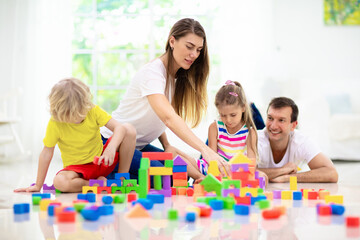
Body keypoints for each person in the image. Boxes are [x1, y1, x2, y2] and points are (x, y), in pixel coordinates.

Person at [101, 18, 230, 182]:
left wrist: (166, 144)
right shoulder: (153, 73)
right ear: (172, 41)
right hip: (113, 143)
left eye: (198, 49)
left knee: (182, 171)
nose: (194, 54)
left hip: (137, 146)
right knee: (166, 178)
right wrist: (206, 150)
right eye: (189, 47)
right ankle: (105, 174)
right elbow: (168, 118)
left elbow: (157, 115)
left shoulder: (174, 76)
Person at [14, 78, 136, 193]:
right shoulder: (55, 123)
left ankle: (121, 179)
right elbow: (46, 153)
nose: (79, 118)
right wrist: (38, 185)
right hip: (77, 170)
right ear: (60, 112)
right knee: (59, 182)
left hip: (101, 160)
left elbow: (119, 128)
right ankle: (95, 184)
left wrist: (111, 148)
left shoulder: (92, 110)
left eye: (82, 112)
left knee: (128, 129)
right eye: (73, 116)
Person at [257, 97, 338, 183]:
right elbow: (243, 173)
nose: (273, 126)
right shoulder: (256, 139)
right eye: (270, 118)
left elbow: (332, 173)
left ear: (293, 125)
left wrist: (289, 178)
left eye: (281, 120)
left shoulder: (301, 141)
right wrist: (282, 170)